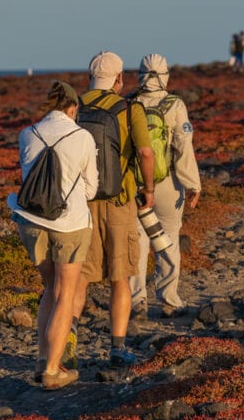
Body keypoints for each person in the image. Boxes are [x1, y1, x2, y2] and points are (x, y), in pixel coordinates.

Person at [8, 80, 97, 390]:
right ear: (72, 108)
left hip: (31, 222)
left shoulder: (26, 135)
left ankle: (43, 358)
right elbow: (91, 187)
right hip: (70, 224)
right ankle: (51, 369)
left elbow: (26, 176)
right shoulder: (82, 137)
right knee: (65, 293)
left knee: (49, 288)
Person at [73, 52, 155, 367]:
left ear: (90, 77)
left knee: (79, 277)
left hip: (82, 203)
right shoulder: (129, 108)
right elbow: (146, 152)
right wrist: (149, 189)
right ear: (119, 79)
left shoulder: (76, 107)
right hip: (120, 202)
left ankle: (69, 342)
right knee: (120, 277)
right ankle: (117, 348)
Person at [129, 55, 201, 318]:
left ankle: (138, 301)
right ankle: (169, 299)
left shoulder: (130, 104)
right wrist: (193, 185)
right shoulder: (175, 105)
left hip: (136, 185)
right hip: (168, 184)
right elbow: (184, 146)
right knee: (168, 239)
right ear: (165, 75)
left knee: (137, 242)